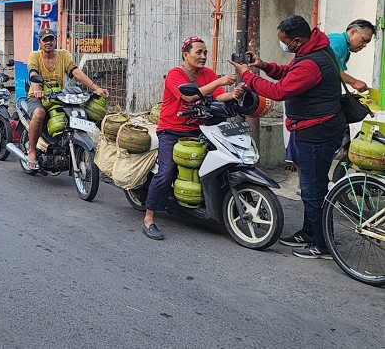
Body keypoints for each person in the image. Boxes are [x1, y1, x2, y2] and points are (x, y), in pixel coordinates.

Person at [228, 15, 344, 259]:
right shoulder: (311, 51)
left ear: (298, 40)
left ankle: (321, 244)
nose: (284, 45)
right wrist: (264, 66)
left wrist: (247, 75)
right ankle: (309, 232)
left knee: (313, 189)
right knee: (310, 185)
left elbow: (278, 91)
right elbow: (287, 73)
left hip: (317, 131)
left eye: (285, 42)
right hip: (309, 128)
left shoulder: (312, 63)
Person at [142, 36, 242, 240]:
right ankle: (149, 218)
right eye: (199, 52)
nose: (203, 56)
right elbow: (189, 96)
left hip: (200, 129)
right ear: (185, 54)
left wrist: (232, 95)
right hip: (171, 130)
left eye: (205, 52)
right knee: (166, 171)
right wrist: (220, 81)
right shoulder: (175, 74)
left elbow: (219, 95)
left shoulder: (208, 74)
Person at [25, 28, 109, 169]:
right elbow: (33, 73)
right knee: (39, 114)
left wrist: (96, 88)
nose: (48, 42)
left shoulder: (64, 55)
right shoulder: (34, 56)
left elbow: (76, 72)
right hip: (38, 97)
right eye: (45, 40)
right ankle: (32, 151)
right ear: (39, 42)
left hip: (60, 96)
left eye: (51, 39)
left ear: (55, 41)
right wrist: (37, 89)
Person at [327, 19, 375, 93]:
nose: (364, 45)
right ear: (353, 32)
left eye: (367, 42)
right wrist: (354, 82)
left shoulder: (345, 47)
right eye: (364, 40)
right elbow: (329, 67)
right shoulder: (338, 41)